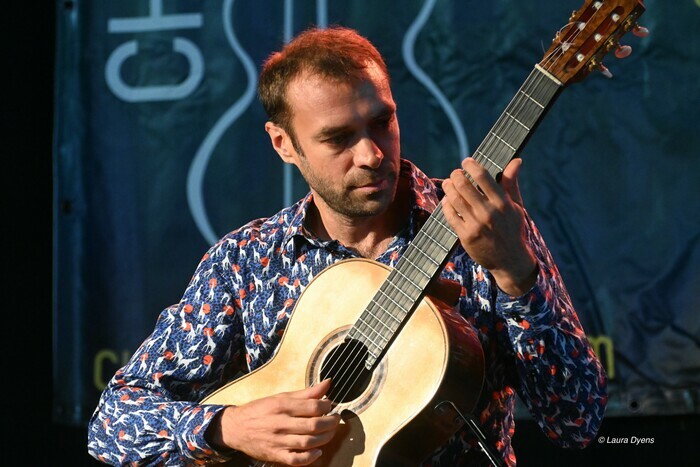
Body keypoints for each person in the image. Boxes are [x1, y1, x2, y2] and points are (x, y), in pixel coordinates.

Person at [88, 25, 607, 466]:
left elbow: (578, 421)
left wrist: (517, 276)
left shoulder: (484, 232)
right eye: (338, 138)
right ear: (284, 144)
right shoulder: (246, 261)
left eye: (382, 122)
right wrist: (228, 427)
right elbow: (112, 423)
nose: (370, 154)